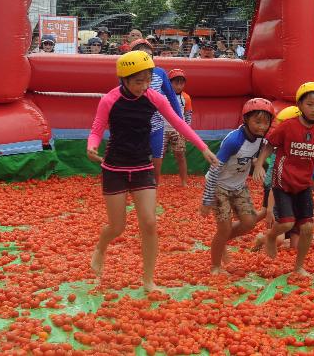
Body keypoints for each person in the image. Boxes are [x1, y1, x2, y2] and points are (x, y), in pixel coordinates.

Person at [87, 51, 219, 291]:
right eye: (139, 81)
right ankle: (100, 248)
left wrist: (202, 147)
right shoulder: (109, 100)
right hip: (114, 168)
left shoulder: (154, 98)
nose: (144, 86)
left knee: (149, 223)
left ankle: (148, 280)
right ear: (124, 79)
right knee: (117, 227)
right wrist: (91, 145)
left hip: (142, 167)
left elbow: (178, 122)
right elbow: (97, 128)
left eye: (148, 80)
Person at [253, 82, 314, 275]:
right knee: (287, 223)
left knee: (308, 227)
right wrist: (259, 164)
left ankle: (298, 267)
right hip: (283, 183)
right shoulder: (288, 126)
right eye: (310, 104)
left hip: (304, 185)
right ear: (299, 105)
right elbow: (269, 146)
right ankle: (271, 236)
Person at [201, 98, 274, 274]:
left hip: (238, 187)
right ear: (246, 119)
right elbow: (215, 167)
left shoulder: (261, 140)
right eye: (257, 122)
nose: (261, 127)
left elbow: (269, 147)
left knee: (249, 222)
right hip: (219, 186)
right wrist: (207, 198)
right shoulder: (234, 140)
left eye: (266, 122)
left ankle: (221, 241)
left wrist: (258, 164)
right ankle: (216, 265)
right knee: (224, 227)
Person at [129, 38, 183, 182]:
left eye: (148, 55)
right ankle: (133, 190)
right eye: (141, 55)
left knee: (156, 162)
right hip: (135, 127)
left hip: (156, 126)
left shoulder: (160, 73)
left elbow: (172, 97)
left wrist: (181, 123)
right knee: (134, 160)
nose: (145, 59)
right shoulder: (127, 75)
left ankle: (153, 190)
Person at [163, 69, 194, 186]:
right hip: (163, 129)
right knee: (157, 156)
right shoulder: (162, 95)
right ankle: (153, 181)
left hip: (178, 130)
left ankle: (184, 181)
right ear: (169, 83)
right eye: (176, 82)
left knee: (180, 155)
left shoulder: (186, 98)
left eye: (182, 82)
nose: (179, 85)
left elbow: (188, 115)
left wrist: (186, 131)